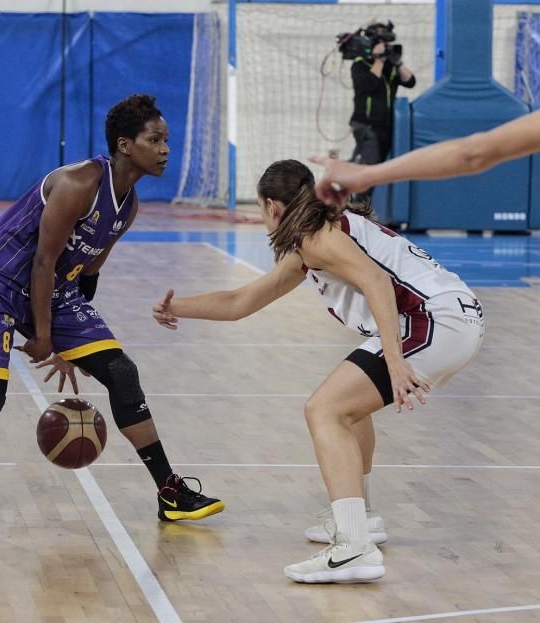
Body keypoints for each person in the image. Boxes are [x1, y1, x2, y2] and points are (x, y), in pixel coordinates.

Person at [310, 73, 540, 620]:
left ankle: (356, 534)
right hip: (453, 317)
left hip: (444, 321)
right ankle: (357, 523)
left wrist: (367, 173)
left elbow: (478, 151)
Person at [152, 159, 484, 583]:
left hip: (433, 321)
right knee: (347, 409)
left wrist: (396, 362)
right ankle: (360, 519)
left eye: (259, 209)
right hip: (449, 317)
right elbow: (242, 302)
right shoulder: (316, 239)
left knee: (324, 410)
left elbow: (378, 283)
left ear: (273, 207)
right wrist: (175, 308)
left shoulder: (317, 239)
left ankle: (353, 547)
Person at [0, 94, 224, 525]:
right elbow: (43, 261)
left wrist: (70, 342)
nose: (165, 150)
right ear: (125, 145)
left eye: (166, 141)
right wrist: (46, 337)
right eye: (155, 139)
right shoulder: (78, 184)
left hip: (55, 287)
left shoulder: (128, 206)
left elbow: (86, 275)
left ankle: (169, 492)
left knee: (121, 372)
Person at [349, 21, 415, 197]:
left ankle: (352, 202)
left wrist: (398, 63)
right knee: (369, 171)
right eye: (379, 42)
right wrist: (378, 60)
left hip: (385, 125)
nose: (383, 46)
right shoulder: (359, 64)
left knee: (372, 168)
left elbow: (410, 81)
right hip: (366, 124)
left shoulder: (390, 66)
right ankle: (357, 213)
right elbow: (370, 84)